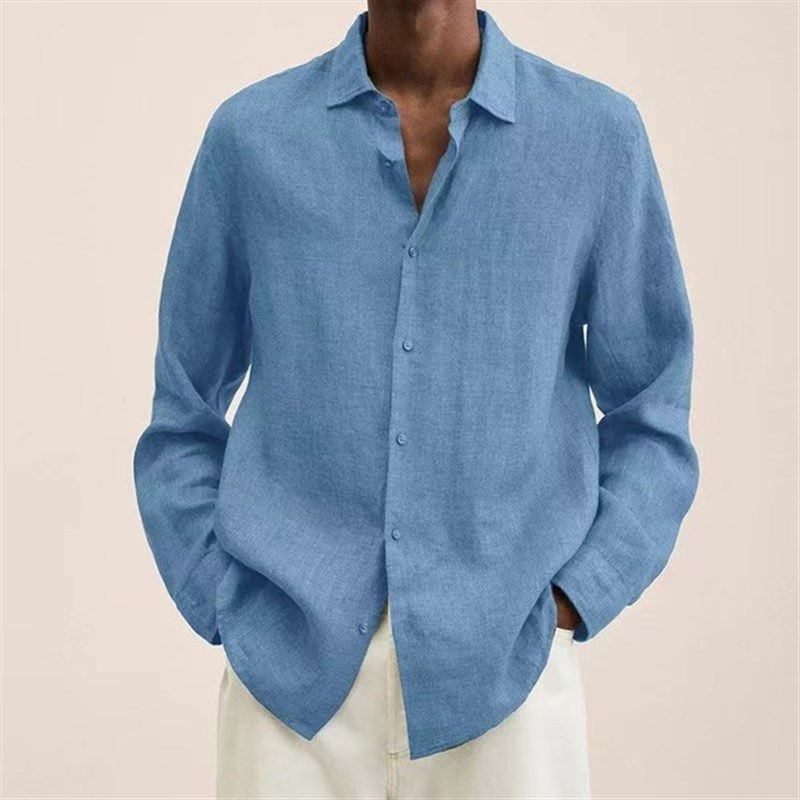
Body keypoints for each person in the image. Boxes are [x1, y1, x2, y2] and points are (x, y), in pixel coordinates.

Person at [132, 2, 699, 797]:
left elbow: (652, 412)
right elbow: (184, 410)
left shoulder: (596, 138)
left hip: (507, 680)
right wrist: (224, 601)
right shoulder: (250, 139)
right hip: (288, 686)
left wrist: (574, 597)